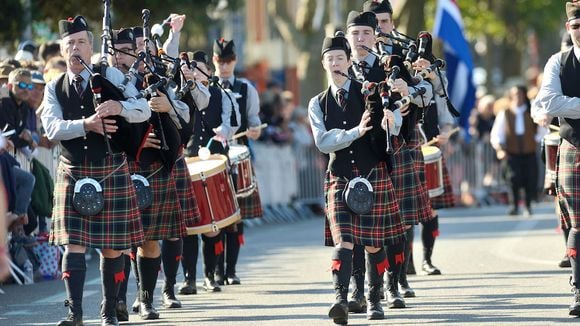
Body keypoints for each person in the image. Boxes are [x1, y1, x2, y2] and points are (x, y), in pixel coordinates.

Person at [40, 16, 149, 326]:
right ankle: (74, 314)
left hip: (110, 167)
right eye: (70, 44)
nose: (76, 48)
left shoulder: (111, 75)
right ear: (62, 51)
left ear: (91, 47)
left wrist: (120, 108)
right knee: (72, 244)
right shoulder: (54, 87)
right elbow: (52, 128)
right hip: (73, 170)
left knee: (112, 246)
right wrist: (86, 125)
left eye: (82, 42)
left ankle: (110, 311)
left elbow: (143, 107)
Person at [309, 31, 405, 324]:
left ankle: (375, 300)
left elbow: (395, 122)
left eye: (340, 57)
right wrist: (354, 133)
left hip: (371, 173)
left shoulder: (369, 93)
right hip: (339, 177)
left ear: (349, 61)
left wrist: (392, 121)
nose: (335, 63)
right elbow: (323, 142)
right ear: (323, 64)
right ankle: (340, 301)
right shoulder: (317, 103)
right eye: (330, 59)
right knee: (344, 242)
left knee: (375, 244)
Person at [179, 50, 241, 295]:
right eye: (191, 68)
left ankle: (210, 275)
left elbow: (231, 122)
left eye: (199, 67)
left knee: (213, 223)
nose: (195, 72)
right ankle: (188, 279)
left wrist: (221, 132)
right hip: (190, 161)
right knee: (189, 225)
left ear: (208, 69)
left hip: (215, 160)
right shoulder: (181, 93)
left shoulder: (220, 93)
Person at [533, 2, 580, 315]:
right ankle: (578, 289)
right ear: (568, 28)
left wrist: (569, 104)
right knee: (578, 223)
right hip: (574, 148)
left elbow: (559, 103)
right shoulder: (557, 62)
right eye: (576, 26)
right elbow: (549, 101)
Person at [212, 38, 263, 286]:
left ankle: (230, 270)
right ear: (214, 61)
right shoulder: (206, 87)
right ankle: (214, 272)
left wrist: (255, 130)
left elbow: (255, 122)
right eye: (220, 61)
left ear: (235, 61)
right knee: (214, 217)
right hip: (211, 158)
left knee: (235, 218)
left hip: (239, 155)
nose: (224, 66)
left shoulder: (246, 88)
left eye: (228, 61)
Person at [491, 85, 545, 217]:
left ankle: (528, 205)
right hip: (512, 152)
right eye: (515, 95)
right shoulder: (505, 113)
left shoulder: (531, 111)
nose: (517, 97)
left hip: (529, 152)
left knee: (529, 179)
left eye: (520, 94)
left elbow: (542, 130)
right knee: (513, 180)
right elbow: (497, 134)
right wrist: (500, 149)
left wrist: (536, 139)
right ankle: (514, 205)